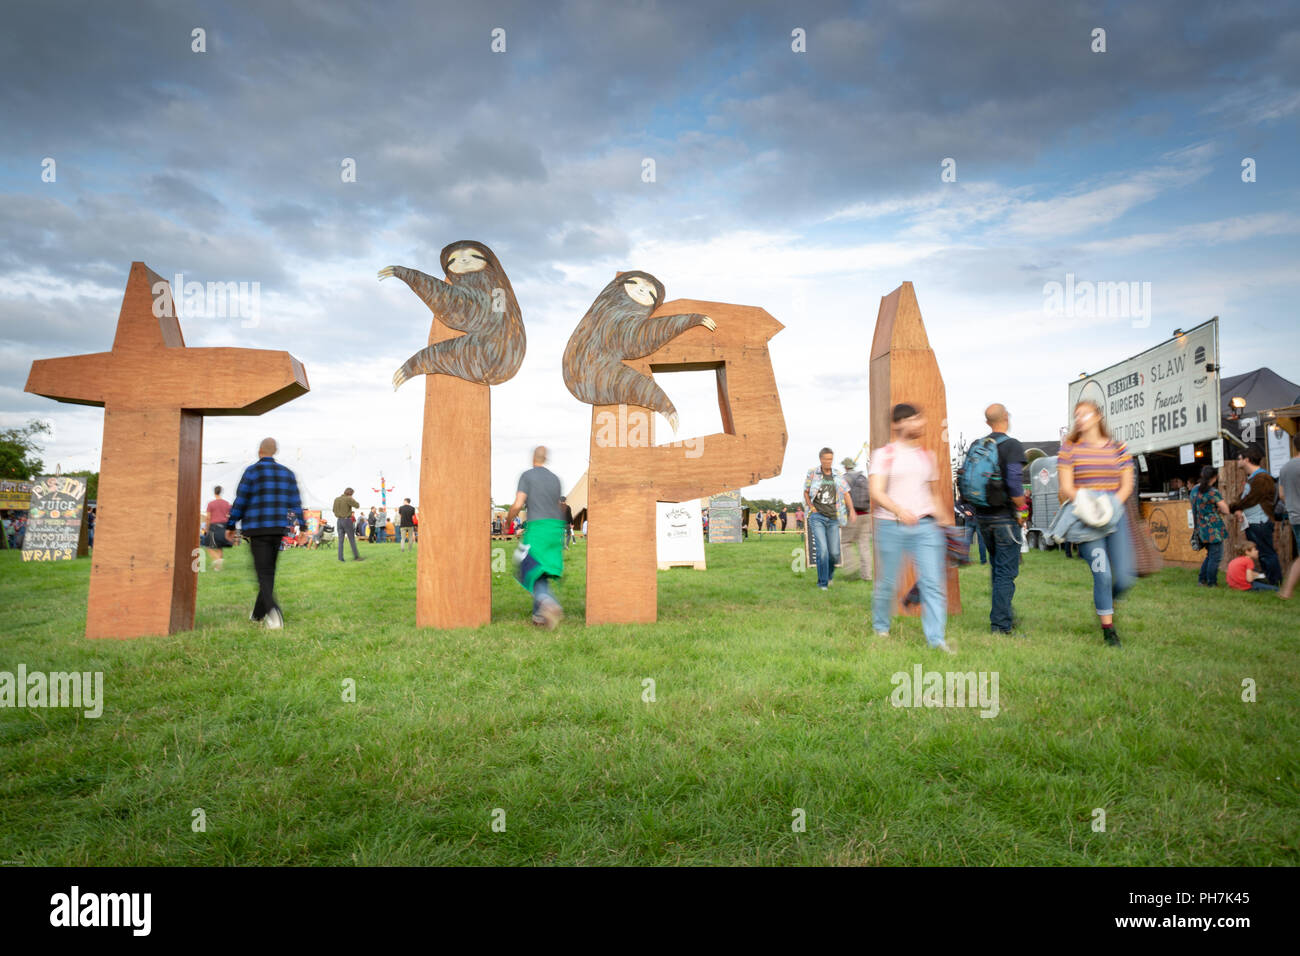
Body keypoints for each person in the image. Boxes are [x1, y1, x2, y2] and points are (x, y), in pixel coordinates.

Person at [869, 404, 951, 652]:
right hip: (891, 525)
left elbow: (932, 493)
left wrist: (944, 518)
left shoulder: (927, 456)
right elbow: (876, 491)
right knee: (888, 583)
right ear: (898, 424)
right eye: (915, 420)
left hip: (926, 527)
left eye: (920, 419)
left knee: (932, 583)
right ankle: (881, 626)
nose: (921, 424)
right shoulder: (884, 455)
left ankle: (936, 640)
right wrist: (899, 510)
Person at [1057, 400, 1135, 648]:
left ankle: (1106, 603)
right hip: (1085, 519)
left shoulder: (1119, 448)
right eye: (1076, 415)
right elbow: (1067, 487)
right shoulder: (1069, 449)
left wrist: (1110, 507)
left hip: (1114, 515)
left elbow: (1127, 485)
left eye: (1085, 413)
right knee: (1103, 575)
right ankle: (1109, 630)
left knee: (1124, 579)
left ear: (1098, 416)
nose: (1080, 418)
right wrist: (1090, 506)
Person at [225, 438, 305, 630]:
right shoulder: (287, 474)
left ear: (260, 450)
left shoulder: (252, 472)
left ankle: (273, 611)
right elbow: (296, 503)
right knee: (268, 571)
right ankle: (257, 614)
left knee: (264, 573)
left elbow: (241, 500)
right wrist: (302, 528)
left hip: (257, 528)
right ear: (275, 451)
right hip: (278, 528)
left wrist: (230, 524)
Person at [968, 404, 1027, 637]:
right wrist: (1022, 510)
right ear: (1007, 418)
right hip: (1005, 518)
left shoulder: (976, 445)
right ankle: (1001, 626)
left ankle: (1005, 615)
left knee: (997, 567)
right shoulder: (1012, 446)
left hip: (983, 518)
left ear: (987, 423)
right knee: (1005, 572)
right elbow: (1014, 483)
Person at [507, 446, 566, 628]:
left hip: (538, 527)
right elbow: (559, 505)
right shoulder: (556, 479)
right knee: (541, 571)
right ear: (545, 459)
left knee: (526, 566)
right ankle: (539, 617)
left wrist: (509, 520)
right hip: (556, 528)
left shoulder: (527, 476)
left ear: (533, 458)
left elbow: (518, 504)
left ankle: (547, 601)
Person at [803, 447, 856, 591]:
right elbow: (806, 492)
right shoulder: (812, 473)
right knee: (823, 551)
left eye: (831, 459)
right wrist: (811, 507)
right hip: (817, 516)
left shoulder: (838, 474)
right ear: (821, 459)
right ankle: (822, 583)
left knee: (834, 553)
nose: (828, 462)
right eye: (826, 459)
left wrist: (851, 510)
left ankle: (829, 576)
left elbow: (846, 493)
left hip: (834, 517)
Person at [1229, 445, 1281, 586]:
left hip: (1261, 521)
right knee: (1263, 553)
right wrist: (1237, 508)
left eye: (1239, 458)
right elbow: (1241, 498)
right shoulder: (1253, 478)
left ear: (1247, 459)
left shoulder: (1262, 478)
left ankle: (1275, 583)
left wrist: (1234, 507)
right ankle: (1270, 581)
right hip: (1254, 522)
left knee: (1266, 553)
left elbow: (1249, 499)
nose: (1237, 461)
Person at [1190, 466, 1230, 586]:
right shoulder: (1212, 492)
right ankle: (1212, 582)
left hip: (1201, 528)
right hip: (1214, 528)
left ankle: (1202, 580)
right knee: (1215, 557)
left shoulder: (1194, 490)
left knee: (1210, 555)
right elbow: (1226, 510)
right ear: (1215, 477)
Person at [840, 456, 873, 581]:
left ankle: (852, 568)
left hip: (853, 515)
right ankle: (867, 575)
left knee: (845, 543)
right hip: (866, 514)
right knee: (864, 545)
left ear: (845, 467)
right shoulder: (863, 478)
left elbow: (842, 497)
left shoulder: (845, 478)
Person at [1278, 431, 1300, 600]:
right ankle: (1286, 591)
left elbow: (1282, 495)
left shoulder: (1285, 467)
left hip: (1294, 516)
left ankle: (1286, 591)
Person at [333, 487, 364, 562]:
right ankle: (356, 557)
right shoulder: (348, 499)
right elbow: (357, 505)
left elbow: (334, 510)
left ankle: (340, 558)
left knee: (340, 541)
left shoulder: (336, 499)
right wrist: (351, 498)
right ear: (350, 494)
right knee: (352, 540)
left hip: (339, 521)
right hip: (347, 521)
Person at [204, 485, 231, 571]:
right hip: (224, 526)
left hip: (214, 527)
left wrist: (206, 528)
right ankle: (218, 568)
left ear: (214, 493)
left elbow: (208, 517)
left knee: (208, 546)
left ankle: (217, 559)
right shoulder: (226, 503)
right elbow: (230, 515)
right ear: (220, 492)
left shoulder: (211, 504)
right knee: (220, 547)